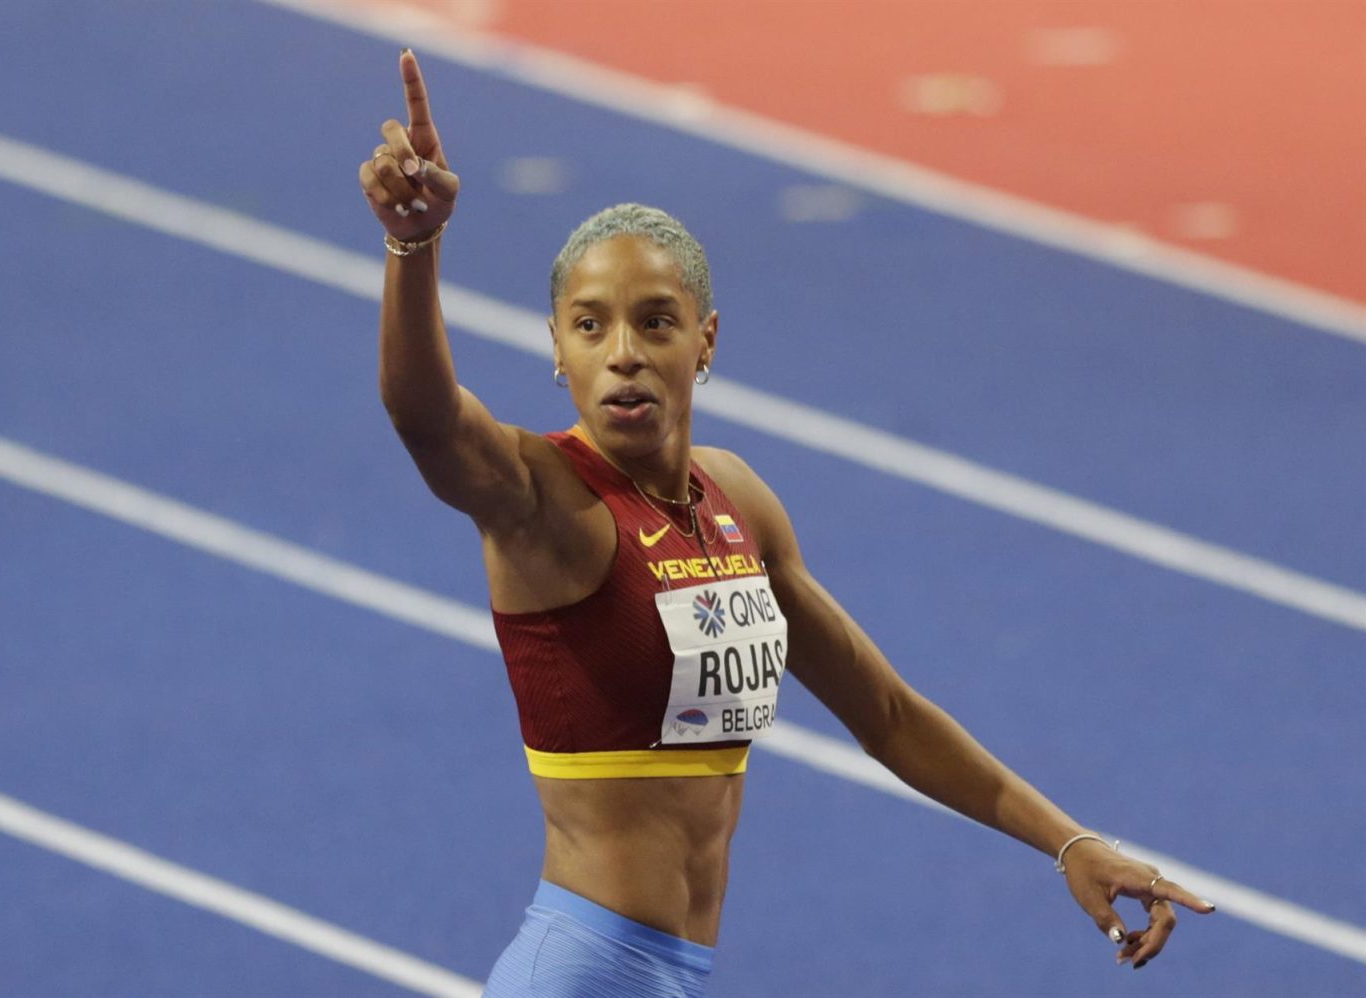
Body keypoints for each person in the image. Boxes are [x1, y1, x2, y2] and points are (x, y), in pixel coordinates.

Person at [358, 49, 1215, 996]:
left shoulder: (738, 502)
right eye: (591, 326)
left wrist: (1068, 844)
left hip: (675, 973)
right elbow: (426, 418)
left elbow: (885, 714)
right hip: (585, 969)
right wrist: (414, 246)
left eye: (656, 321)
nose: (625, 355)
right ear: (557, 351)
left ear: (707, 341)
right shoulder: (544, 503)